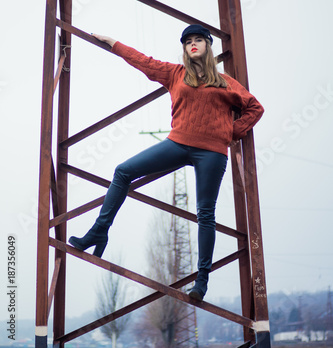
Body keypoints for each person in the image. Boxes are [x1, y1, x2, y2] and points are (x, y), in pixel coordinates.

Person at [69, 24, 264, 301]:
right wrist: (113, 42)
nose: (193, 44)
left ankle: (202, 281)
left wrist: (232, 132)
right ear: (184, 48)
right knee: (123, 171)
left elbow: (255, 108)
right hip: (177, 144)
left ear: (208, 46)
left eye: (199, 40)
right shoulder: (175, 73)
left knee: (205, 214)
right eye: (188, 42)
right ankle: (98, 232)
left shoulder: (225, 82)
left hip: (211, 153)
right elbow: (143, 61)